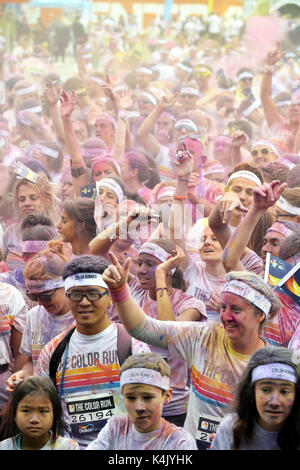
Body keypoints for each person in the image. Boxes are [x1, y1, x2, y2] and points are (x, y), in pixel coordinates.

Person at [102, 254, 281, 449]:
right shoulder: (205, 336)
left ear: (260, 315)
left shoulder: (272, 364)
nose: (226, 317)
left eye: (236, 310)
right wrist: (119, 291)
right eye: (222, 307)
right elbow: (143, 328)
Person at [34, 254, 150, 449]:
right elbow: (41, 408)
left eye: (94, 293)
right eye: (76, 294)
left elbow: (149, 409)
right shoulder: (52, 352)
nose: (85, 302)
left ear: (110, 299)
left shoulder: (133, 346)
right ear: (68, 298)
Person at [86, 353, 197, 450]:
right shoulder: (115, 428)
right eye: (131, 398)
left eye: (147, 398)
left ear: (167, 396)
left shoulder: (179, 441)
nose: (139, 407)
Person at [6, 240, 75, 390]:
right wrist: (23, 374)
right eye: (34, 297)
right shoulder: (34, 316)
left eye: (46, 296)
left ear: (65, 285)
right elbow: (31, 361)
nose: (40, 303)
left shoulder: (80, 316)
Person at [210, 346, 300, 450]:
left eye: (284, 391)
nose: (274, 402)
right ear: (252, 391)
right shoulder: (230, 429)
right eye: (266, 390)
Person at [0, 376, 80, 450]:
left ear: (54, 413)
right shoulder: (4, 447)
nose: (34, 420)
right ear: (14, 413)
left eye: (43, 411)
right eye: (26, 411)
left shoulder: (68, 447)